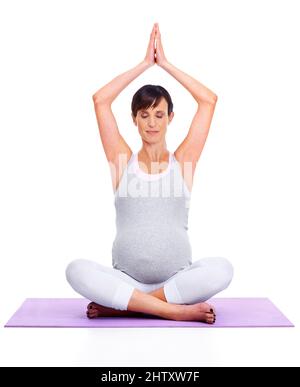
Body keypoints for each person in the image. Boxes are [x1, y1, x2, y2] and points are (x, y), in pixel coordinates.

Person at [65, 23, 234, 323]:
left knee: (222, 269)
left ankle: (127, 307)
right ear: (134, 119)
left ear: (170, 118)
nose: (152, 122)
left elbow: (208, 101)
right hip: (127, 282)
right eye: (144, 115)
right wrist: (145, 65)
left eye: (159, 114)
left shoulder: (183, 162)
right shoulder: (121, 161)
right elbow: (100, 100)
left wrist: (165, 65)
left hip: (176, 283)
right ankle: (170, 312)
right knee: (76, 270)